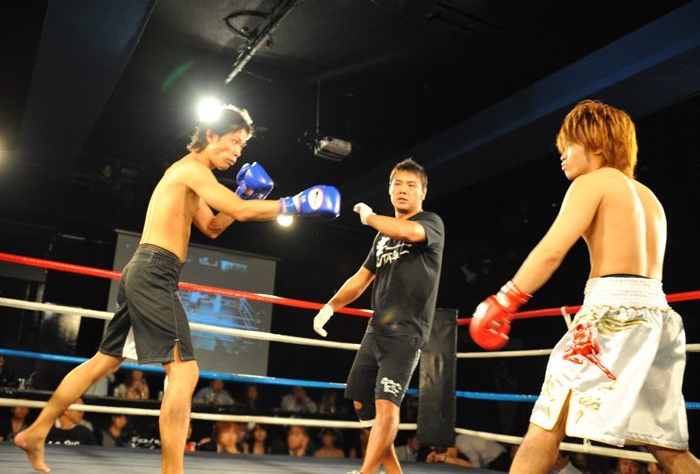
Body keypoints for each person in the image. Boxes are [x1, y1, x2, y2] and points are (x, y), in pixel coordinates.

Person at [15, 104, 340, 474]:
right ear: (211, 135)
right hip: (154, 271)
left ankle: (36, 432)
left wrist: (246, 196)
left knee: (104, 361)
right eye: (234, 141)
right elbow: (241, 212)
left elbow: (213, 226)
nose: (237, 152)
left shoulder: (191, 176)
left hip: (148, 270)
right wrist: (295, 204)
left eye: (242, 146)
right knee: (185, 374)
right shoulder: (192, 170)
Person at [469, 100, 700, 474]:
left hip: (611, 315)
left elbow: (552, 250)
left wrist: (506, 297)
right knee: (668, 447)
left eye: (570, 145)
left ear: (597, 145)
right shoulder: (650, 198)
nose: (562, 155)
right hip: (658, 317)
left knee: (545, 426)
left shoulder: (592, 182)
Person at [314, 157, 445, 474]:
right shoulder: (382, 236)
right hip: (377, 329)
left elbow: (407, 231)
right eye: (397, 184)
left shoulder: (431, 223)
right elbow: (361, 279)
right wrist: (330, 306)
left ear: (423, 192)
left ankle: (366, 473)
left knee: (387, 405)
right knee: (361, 400)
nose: (403, 190)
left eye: (411, 185)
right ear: (389, 189)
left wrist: (371, 217)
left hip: (407, 330)